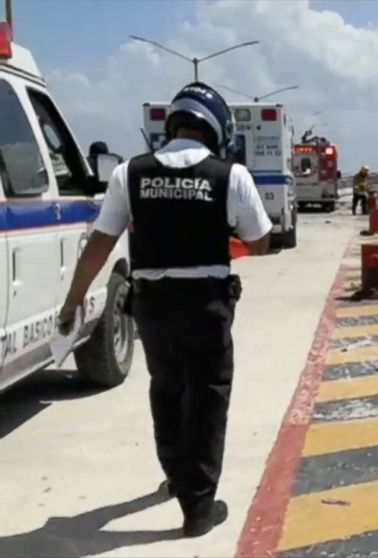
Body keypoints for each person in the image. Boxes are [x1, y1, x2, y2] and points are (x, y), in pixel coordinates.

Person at [57, 82, 272, 538]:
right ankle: (199, 507)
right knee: (209, 396)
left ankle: (177, 476)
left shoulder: (129, 174)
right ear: (216, 129)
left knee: (167, 389)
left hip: (152, 306)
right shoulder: (229, 175)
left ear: (171, 124)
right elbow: (259, 239)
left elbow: (102, 241)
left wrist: (73, 299)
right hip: (206, 303)